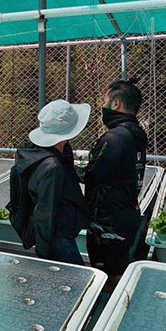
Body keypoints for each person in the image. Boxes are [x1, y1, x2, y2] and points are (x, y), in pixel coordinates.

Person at [85, 80, 148, 284]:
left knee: (108, 276)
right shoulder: (135, 134)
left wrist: (66, 165)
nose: (103, 107)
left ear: (116, 104)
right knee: (120, 266)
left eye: (105, 101)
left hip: (108, 221)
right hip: (126, 211)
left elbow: (92, 175)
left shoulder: (114, 138)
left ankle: (107, 310)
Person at [15, 99, 91, 265]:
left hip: (59, 230)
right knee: (76, 277)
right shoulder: (52, 167)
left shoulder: (38, 151)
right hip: (58, 234)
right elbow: (45, 210)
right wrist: (44, 247)